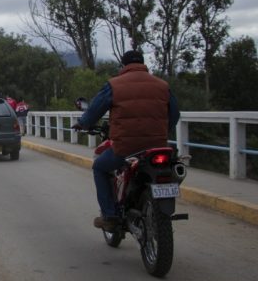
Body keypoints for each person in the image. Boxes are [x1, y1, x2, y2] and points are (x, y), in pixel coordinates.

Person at [73, 50, 180, 231]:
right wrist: (161, 132)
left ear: (123, 65)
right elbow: (174, 115)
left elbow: (94, 111)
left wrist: (82, 124)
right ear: (143, 63)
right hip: (159, 147)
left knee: (99, 167)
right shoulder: (162, 85)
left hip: (126, 148)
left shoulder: (114, 85)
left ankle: (110, 216)